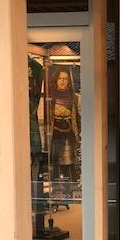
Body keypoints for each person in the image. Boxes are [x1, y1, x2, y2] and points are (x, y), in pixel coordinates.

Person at [49, 67, 81, 197]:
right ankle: (57, 190)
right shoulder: (50, 97)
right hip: (55, 134)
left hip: (68, 133)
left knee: (69, 161)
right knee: (55, 162)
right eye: (60, 78)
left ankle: (70, 189)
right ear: (56, 80)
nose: (62, 81)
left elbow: (77, 117)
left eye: (65, 79)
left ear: (69, 81)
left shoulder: (74, 98)